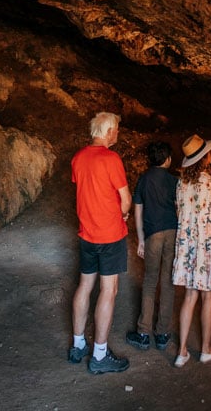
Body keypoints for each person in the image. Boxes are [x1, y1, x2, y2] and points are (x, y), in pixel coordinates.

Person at [68, 111, 132, 375]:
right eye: (115, 129)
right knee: (109, 290)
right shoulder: (111, 158)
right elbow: (125, 198)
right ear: (107, 132)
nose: (117, 133)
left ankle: (78, 345)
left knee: (84, 285)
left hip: (87, 234)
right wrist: (124, 212)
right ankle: (100, 355)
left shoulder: (78, 158)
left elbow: (85, 188)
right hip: (110, 235)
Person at [172, 133, 211, 367]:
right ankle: (206, 348)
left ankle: (182, 351)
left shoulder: (181, 184)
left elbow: (180, 213)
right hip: (208, 246)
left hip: (188, 247)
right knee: (208, 298)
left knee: (189, 297)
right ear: (204, 158)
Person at [125, 141, 178, 352]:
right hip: (172, 232)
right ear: (167, 160)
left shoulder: (144, 180)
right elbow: (179, 208)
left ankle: (143, 333)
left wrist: (140, 238)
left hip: (153, 234)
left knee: (149, 281)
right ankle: (163, 333)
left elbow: (137, 210)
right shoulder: (174, 181)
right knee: (168, 282)